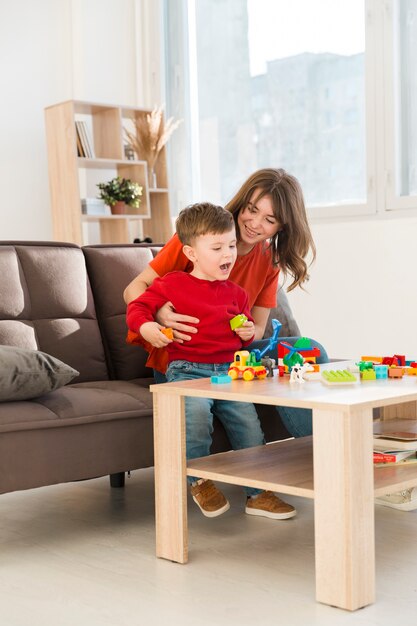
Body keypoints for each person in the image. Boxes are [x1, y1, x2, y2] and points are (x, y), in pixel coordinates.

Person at [124, 167, 328, 441]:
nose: (255, 223)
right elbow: (133, 289)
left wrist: (246, 331)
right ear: (242, 202)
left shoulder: (268, 260)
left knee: (311, 351)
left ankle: (319, 449)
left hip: (228, 355)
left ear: (282, 227)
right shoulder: (201, 238)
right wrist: (158, 313)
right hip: (183, 356)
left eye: (269, 219)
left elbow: (256, 329)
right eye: (251, 209)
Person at [127, 202, 296, 520]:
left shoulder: (236, 293)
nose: (228, 254)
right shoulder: (171, 284)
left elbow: (244, 329)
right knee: (195, 416)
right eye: (217, 247)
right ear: (190, 253)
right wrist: (150, 327)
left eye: (231, 245)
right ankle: (199, 481)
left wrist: (246, 332)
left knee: (248, 427)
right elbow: (138, 307)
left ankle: (257, 492)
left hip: (230, 372)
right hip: (187, 369)